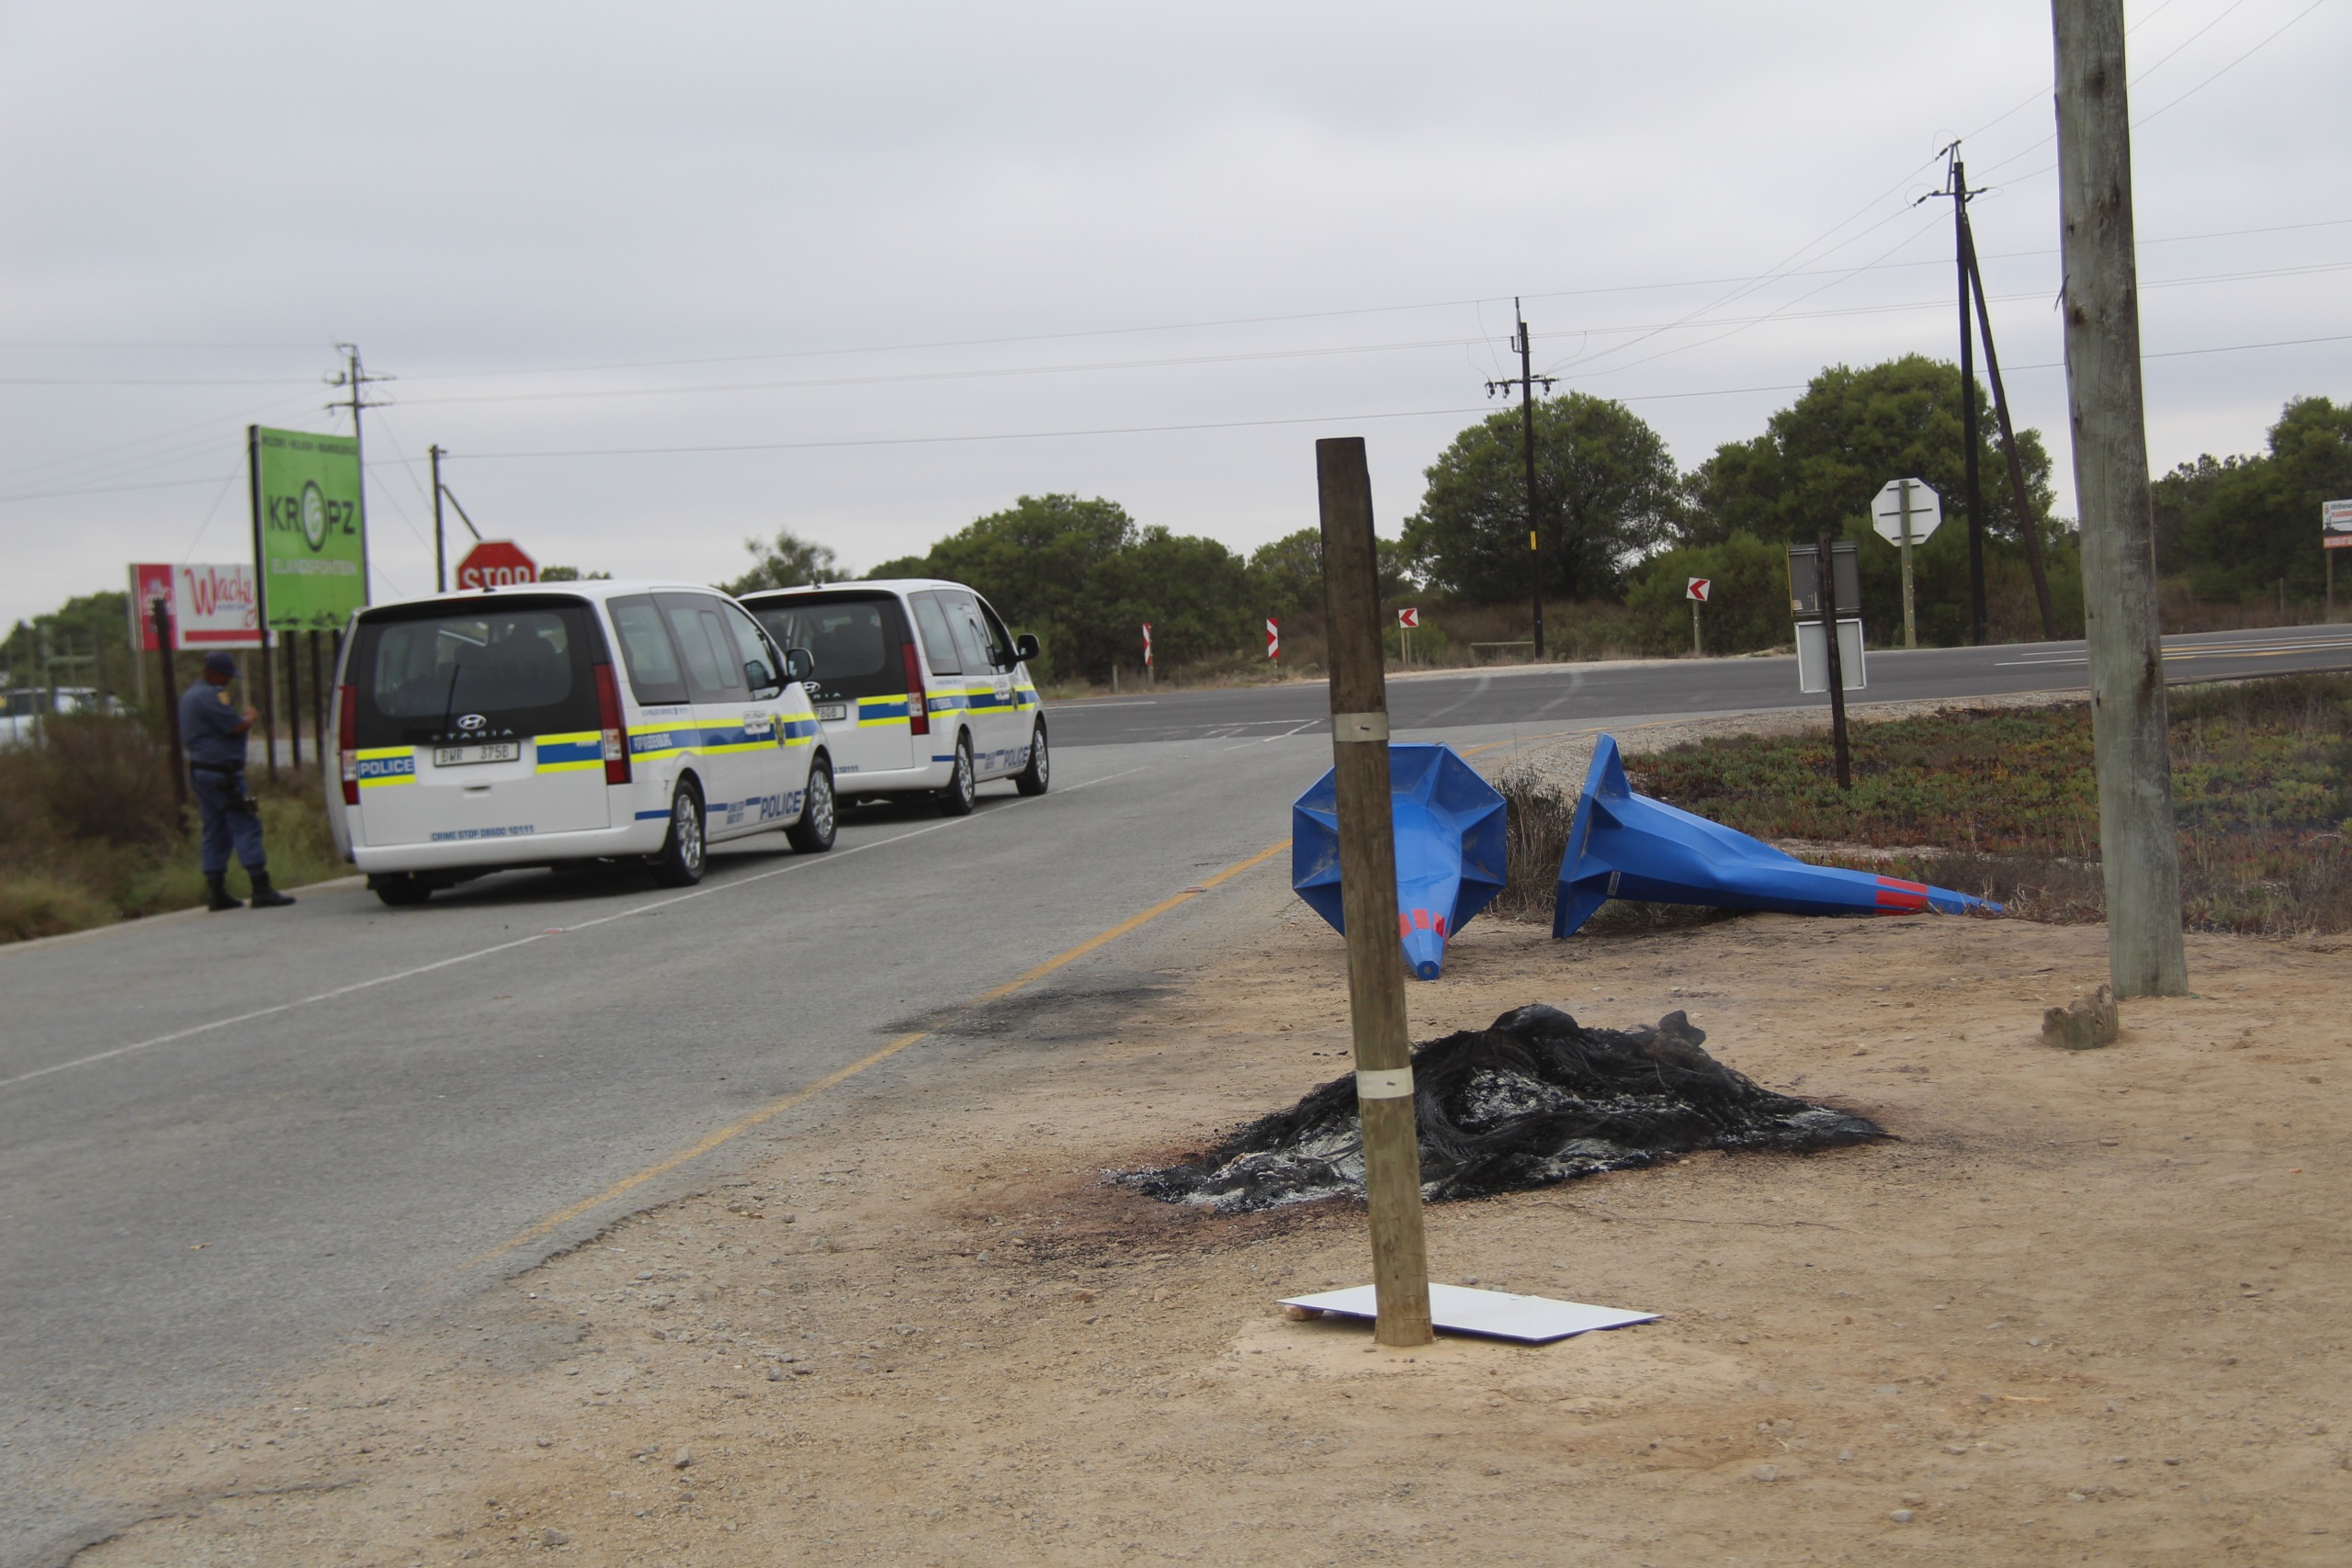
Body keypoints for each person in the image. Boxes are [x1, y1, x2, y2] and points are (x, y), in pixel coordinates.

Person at [178, 651, 295, 911]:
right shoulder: (209, 696)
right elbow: (235, 726)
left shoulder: (189, 696)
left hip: (204, 773)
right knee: (247, 822)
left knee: (215, 828)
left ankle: (216, 891)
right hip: (225, 776)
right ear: (217, 674)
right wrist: (250, 717)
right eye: (228, 676)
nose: (229, 681)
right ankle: (260, 887)